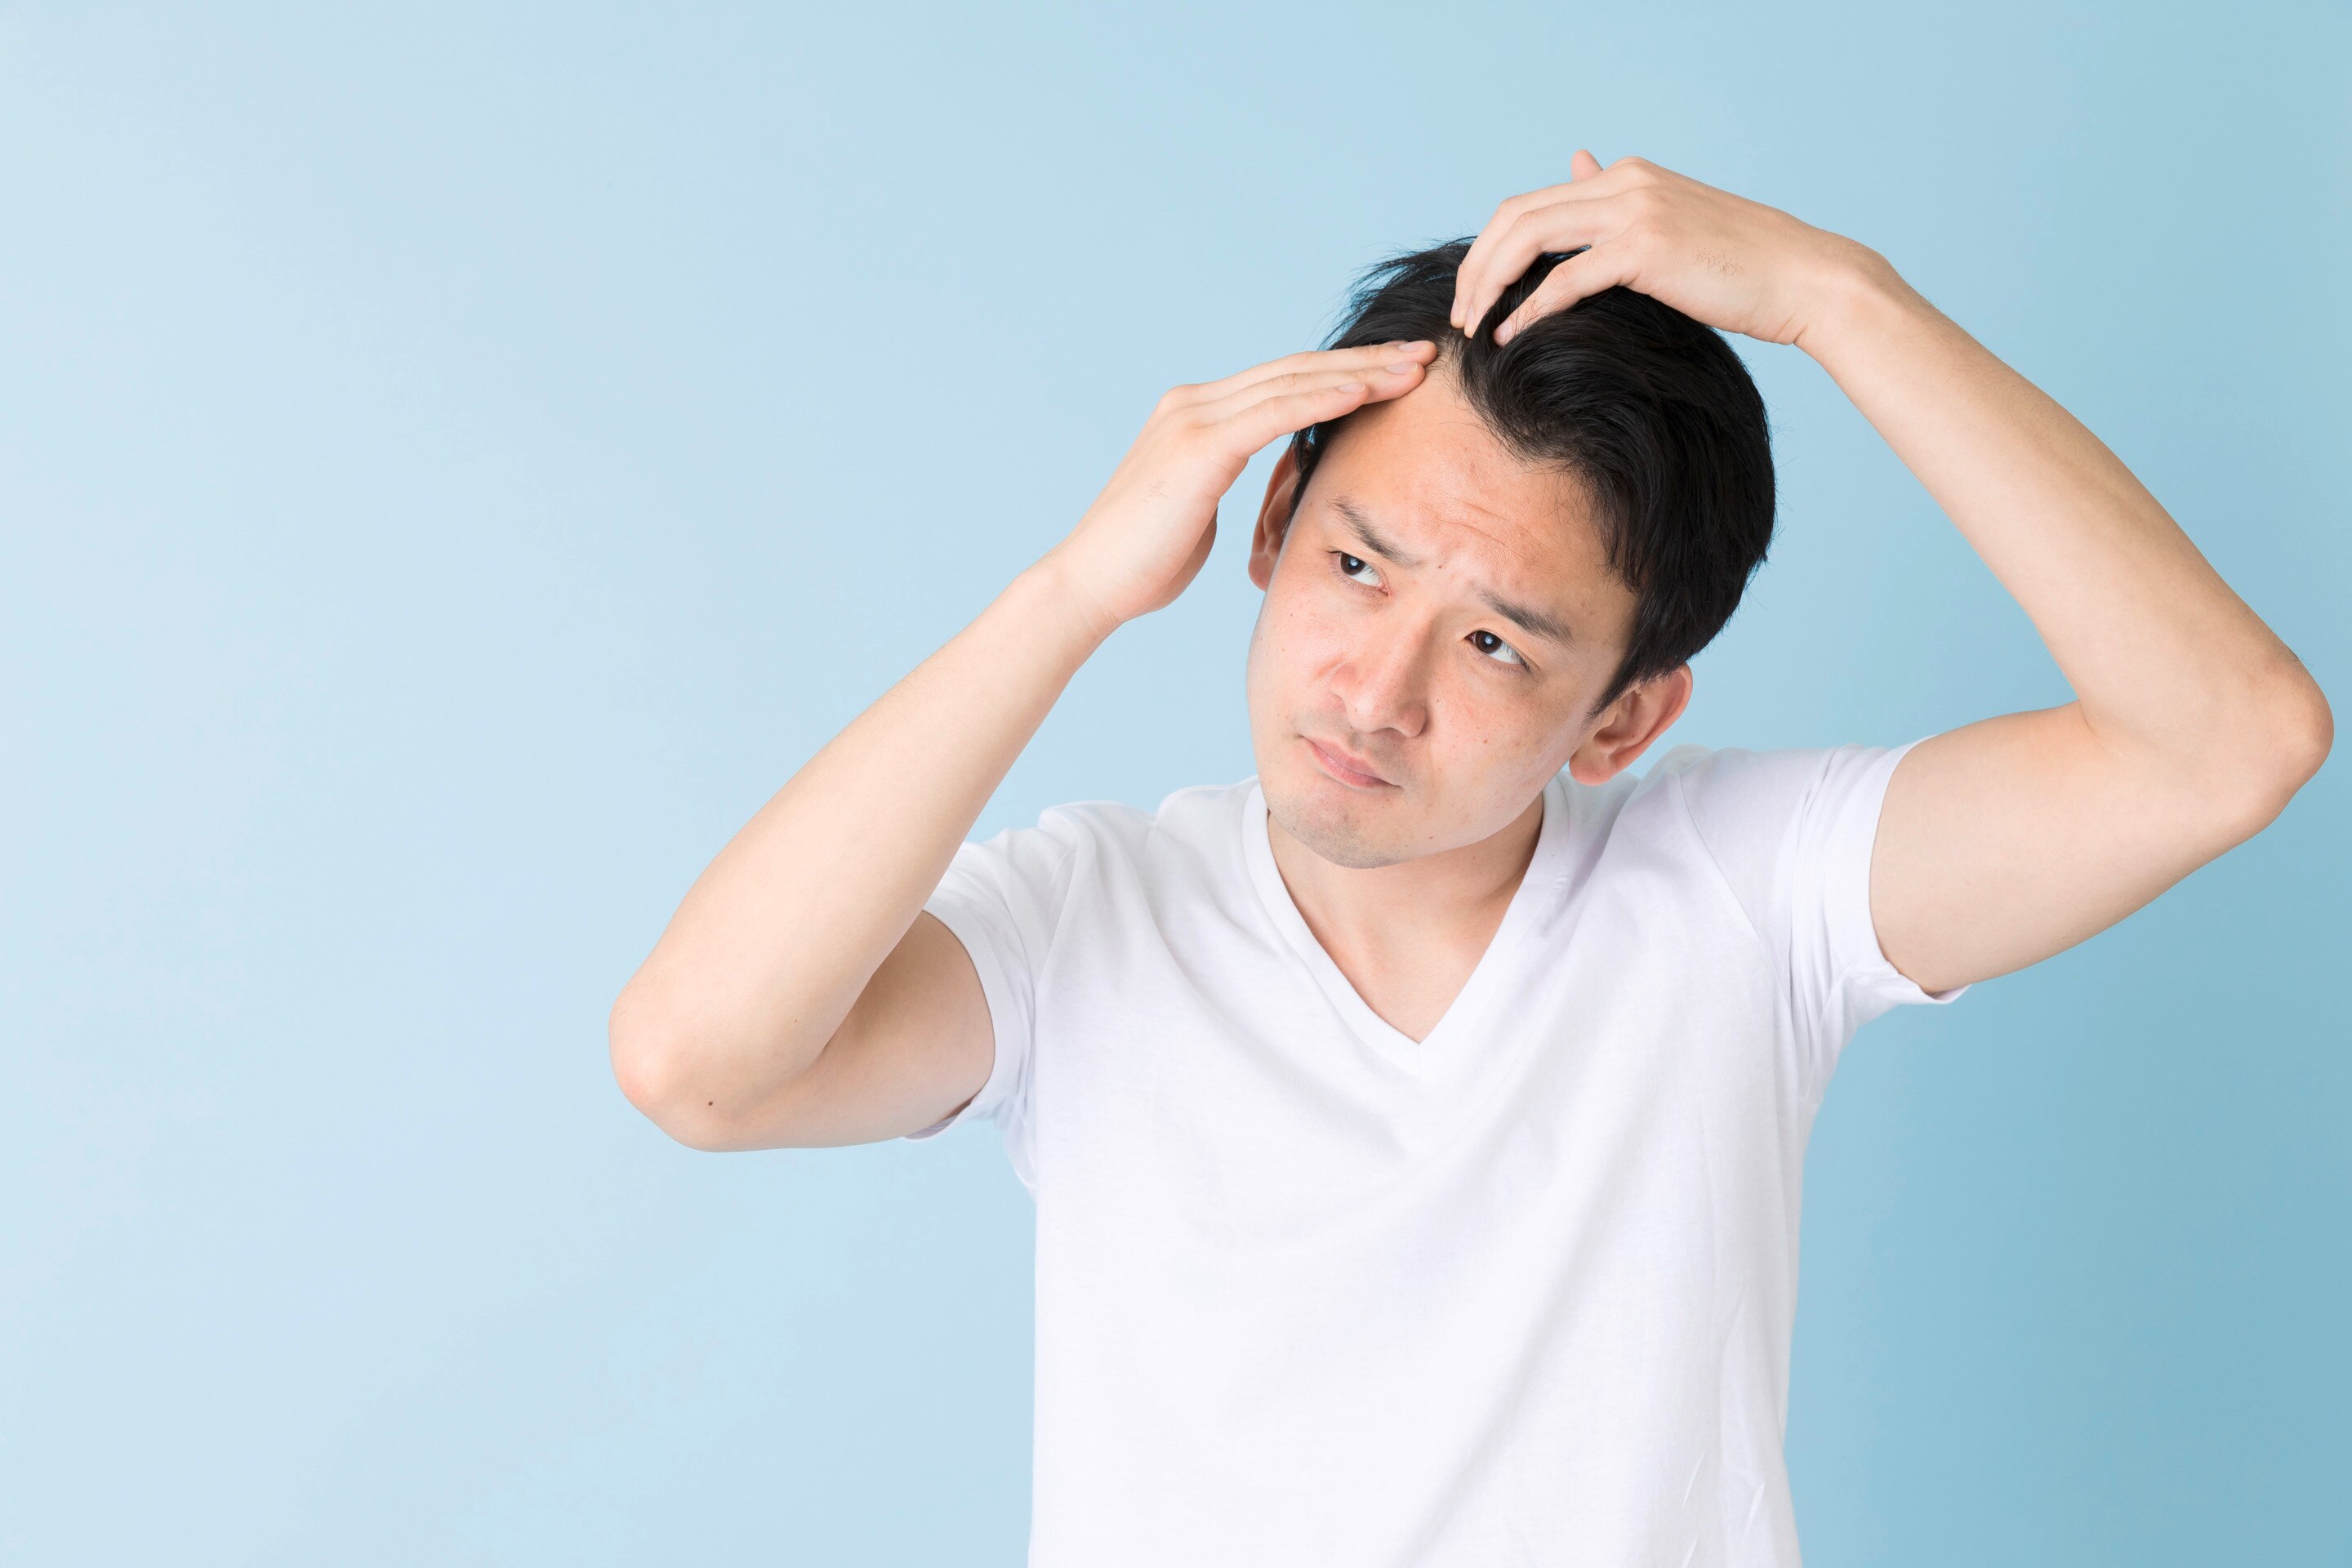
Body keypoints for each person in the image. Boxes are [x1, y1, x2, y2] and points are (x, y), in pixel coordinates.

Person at [607, 152, 2331, 1566]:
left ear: (1623, 717)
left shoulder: (1749, 894)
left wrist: (1839, 298)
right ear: (1270, 523)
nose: (1378, 689)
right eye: (1356, 568)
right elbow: (698, 1064)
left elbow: (2230, 741)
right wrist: (1070, 593)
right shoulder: (1086, 920)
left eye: (1498, 645)